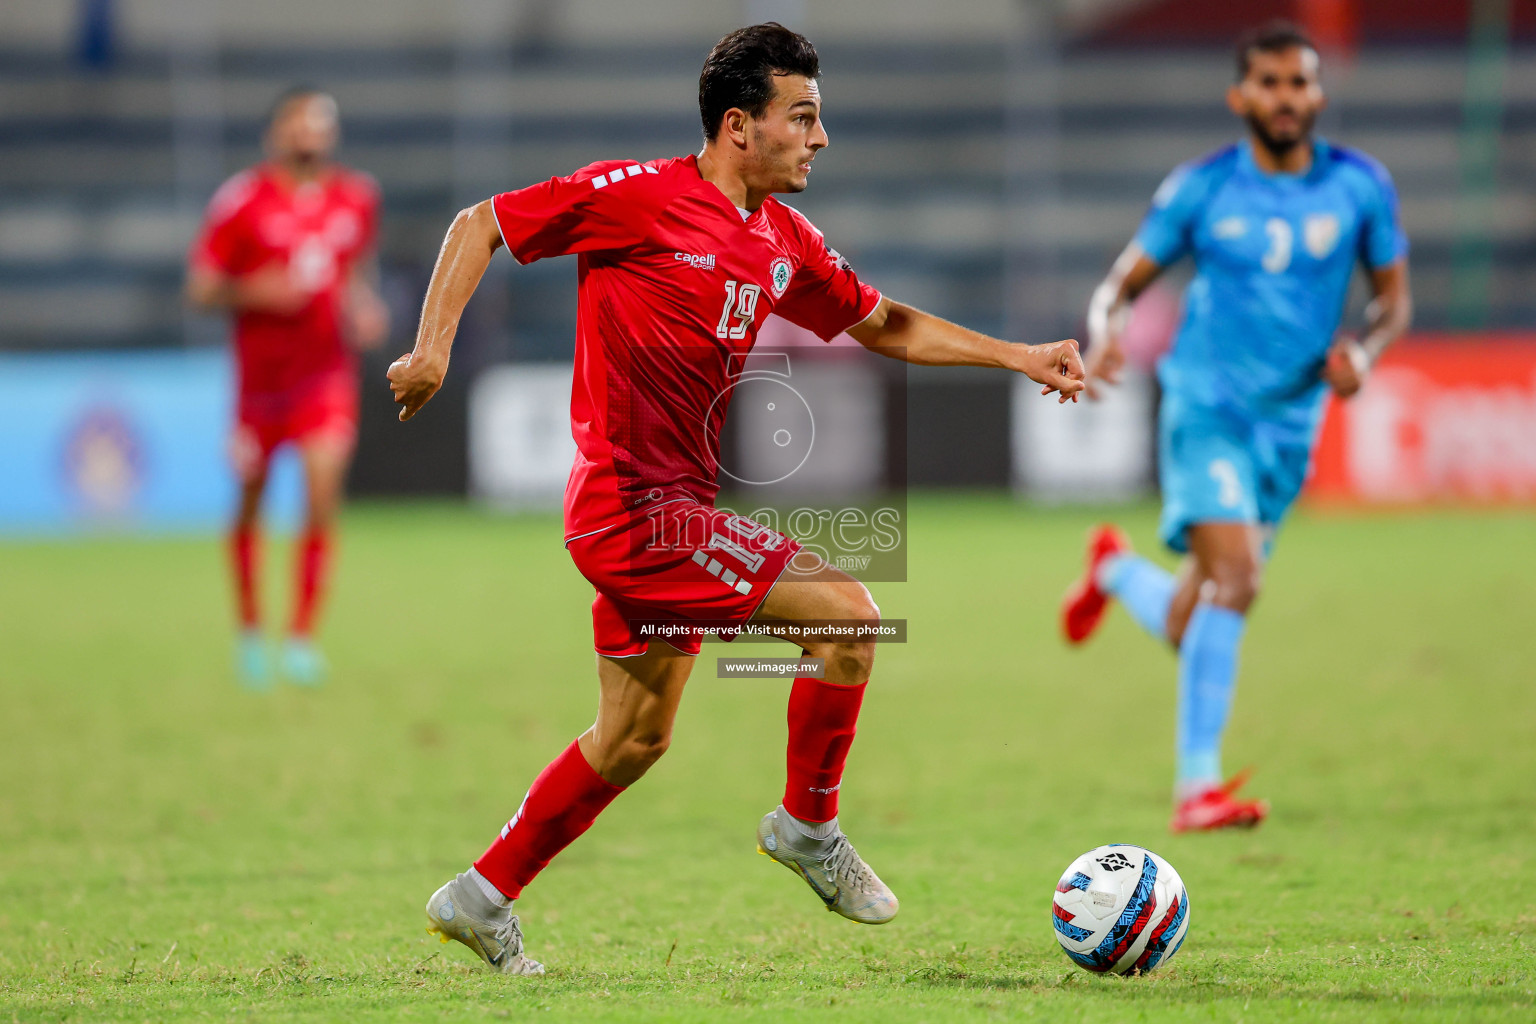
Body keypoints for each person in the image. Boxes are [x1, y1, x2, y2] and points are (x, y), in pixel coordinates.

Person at [387, 23, 1085, 974]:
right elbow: (483, 224)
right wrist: (432, 349)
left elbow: (882, 322)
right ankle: (808, 827)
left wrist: (1020, 354)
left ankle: (481, 894)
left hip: (672, 507)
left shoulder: (784, 240)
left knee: (633, 738)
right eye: (803, 117)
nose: (821, 138)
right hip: (632, 510)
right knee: (848, 620)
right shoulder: (636, 199)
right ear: (738, 126)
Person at [1060, 21, 1412, 832]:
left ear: (1318, 95)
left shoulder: (1361, 186)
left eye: (1299, 83)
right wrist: (1106, 330)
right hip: (1207, 407)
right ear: (1241, 95)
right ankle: (1197, 790)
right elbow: (1120, 284)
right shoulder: (1202, 188)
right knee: (1241, 581)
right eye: (1271, 83)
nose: (1286, 98)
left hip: (1292, 425)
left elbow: (1393, 301)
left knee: (1195, 619)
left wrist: (1367, 347)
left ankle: (1114, 570)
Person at [187, 87, 388, 688]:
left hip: (324, 378)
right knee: (250, 501)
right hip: (260, 387)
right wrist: (255, 292)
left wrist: (364, 308)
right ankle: (250, 630)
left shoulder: (357, 198)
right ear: (276, 131)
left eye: (318, 124)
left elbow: (353, 272)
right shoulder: (242, 200)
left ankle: (301, 638)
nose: (309, 134)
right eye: (298, 123)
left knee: (322, 494)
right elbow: (201, 287)